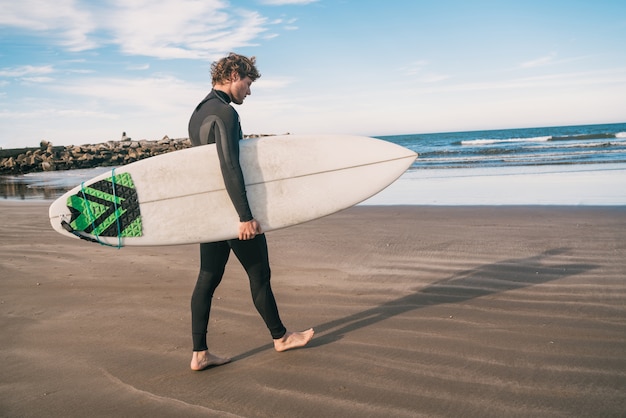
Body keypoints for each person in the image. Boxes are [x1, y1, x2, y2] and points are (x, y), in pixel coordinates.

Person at [187, 53, 314, 371]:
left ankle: (199, 353)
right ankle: (281, 338)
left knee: (208, 277)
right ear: (233, 74)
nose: (249, 91)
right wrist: (244, 216)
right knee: (259, 274)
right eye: (248, 83)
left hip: (211, 211)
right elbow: (229, 166)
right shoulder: (225, 114)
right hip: (233, 212)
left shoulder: (199, 112)